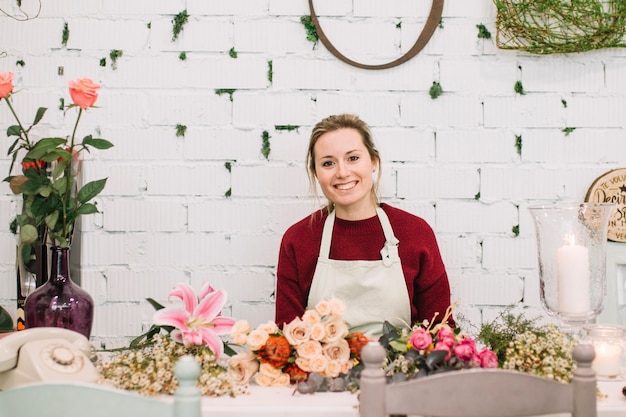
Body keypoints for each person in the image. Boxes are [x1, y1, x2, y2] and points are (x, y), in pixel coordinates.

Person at [274, 114, 454, 336]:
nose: (342, 172)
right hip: (322, 371)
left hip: (405, 369)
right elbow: (286, 338)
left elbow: (441, 331)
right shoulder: (298, 240)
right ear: (316, 173)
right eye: (328, 163)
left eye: (353, 158)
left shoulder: (415, 233)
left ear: (374, 162)